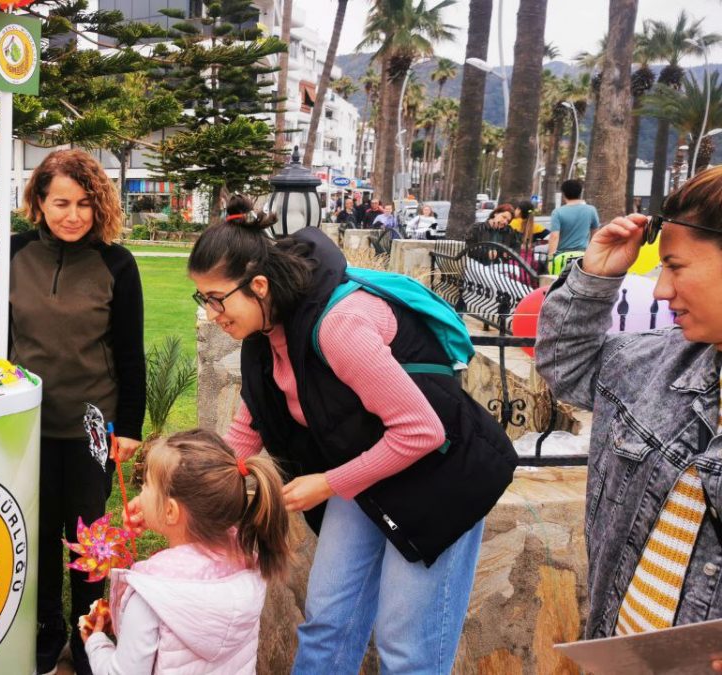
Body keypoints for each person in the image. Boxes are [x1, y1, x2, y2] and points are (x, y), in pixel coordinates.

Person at [183, 195, 515, 673]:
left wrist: (328, 483)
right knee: (327, 621)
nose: (212, 312)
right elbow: (250, 425)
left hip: (441, 478)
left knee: (407, 646)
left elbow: (420, 431)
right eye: (203, 299)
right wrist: (195, 503)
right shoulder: (264, 331)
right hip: (367, 472)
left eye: (216, 298)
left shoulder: (339, 325)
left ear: (258, 285)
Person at [536, 166, 722, 645]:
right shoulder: (660, 360)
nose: (660, 290)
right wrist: (596, 278)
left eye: (675, 267)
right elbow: (566, 369)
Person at [0, 148, 146, 675]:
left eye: (82, 204)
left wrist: (132, 428)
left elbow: (129, 354)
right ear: (38, 202)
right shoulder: (11, 256)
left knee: (88, 540)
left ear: (98, 206)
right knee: (37, 533)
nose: (71, 215)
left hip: (93, 428)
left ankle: (89, 634)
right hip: (25, 423)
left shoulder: (117, 264)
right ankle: (47, 631)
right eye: (60, 203)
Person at [82, 429, 289, 674]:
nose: (141, 493)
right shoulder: (248, 562)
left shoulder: (151, 596)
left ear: (170, 511)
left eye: (146, 484)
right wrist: (156, 514)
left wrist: (95, 643)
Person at [546, 179, 601, 255]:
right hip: (582, 255)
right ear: (580, 193)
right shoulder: (591, 210)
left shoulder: (557, 212)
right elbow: (595, 233)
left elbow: (554, 236)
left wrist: (550, 258)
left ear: (564, 194)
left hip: (562, 255)